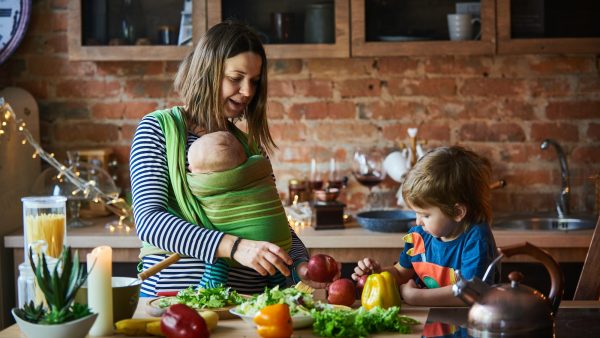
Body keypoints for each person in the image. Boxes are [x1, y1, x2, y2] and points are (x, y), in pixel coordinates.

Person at [130, 21, 314, 297]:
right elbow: (150, 221)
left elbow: (275, 223)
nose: (248, 91)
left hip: (249, 307)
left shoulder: (250, 147)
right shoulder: (159, 130)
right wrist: (236, 247)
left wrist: (301, 264)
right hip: (175, 302)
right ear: (208, 72)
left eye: (254, 81)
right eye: (236, 78)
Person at [352, 146, 498, 306]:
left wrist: (416, 297)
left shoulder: (476, 238)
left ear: (457, 212)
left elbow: (471, 292)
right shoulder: (419, 236)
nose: (418, 222)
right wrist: (378, 274)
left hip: (467, 323)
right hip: (427, 319)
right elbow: (401, 273)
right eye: (416, 213)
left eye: (425, 215)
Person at [186, 130, 292, 288]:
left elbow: (191, 186)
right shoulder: (258, 165)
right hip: (278, 242)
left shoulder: (204, 184)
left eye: (193, 167)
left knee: (216, 259)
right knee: (276, 274)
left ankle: (211, 288)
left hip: (231, 255)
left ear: (211, 175)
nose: (189, 168)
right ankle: (280, 288)